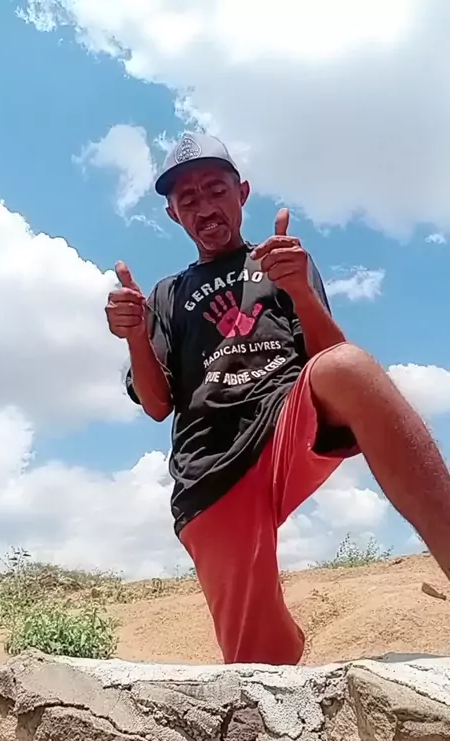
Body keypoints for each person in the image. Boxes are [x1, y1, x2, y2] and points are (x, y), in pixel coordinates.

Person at [106, 131, 450, 666]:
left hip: (285, 421)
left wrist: (299, 290)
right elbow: (156, 405)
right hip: (210, 470)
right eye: (187, 199)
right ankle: (282, 647)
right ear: (174, 215)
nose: (204, 206)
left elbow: (328, 359)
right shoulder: (166, 296)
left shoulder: (282, 261)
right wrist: (134, 334)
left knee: (348, 366)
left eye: (215, 189)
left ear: (242, 193)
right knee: (260, 666)